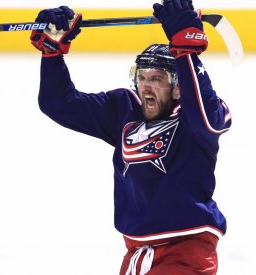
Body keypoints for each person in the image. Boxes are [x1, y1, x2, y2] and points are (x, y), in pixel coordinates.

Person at [30, 1, 231, 274]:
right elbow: (58, 103)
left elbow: (207, 119)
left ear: (177, 88)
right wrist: (52, 55)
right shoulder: (124, 109)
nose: (146, 86)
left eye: (157, 79)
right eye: (142, 77)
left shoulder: (195, 117)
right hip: (136, 252)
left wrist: (187, 53)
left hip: (187, 250)